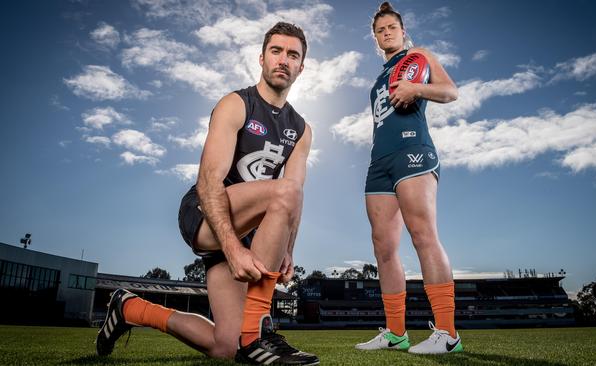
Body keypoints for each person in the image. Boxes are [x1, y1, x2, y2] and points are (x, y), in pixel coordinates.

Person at [96, 22, 319, 365]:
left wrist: (288, 249)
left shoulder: (301, 129)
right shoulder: (236, 104)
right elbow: (208, 181)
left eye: (293, 55)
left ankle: (129, 307)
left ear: (301, 68)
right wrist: (231, 248)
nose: (283, 60)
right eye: (276, 51)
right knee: (283, 192)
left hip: (246, 230)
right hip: (205, 213)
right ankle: (258, 334)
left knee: (224, 345)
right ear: (261, 58)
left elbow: (296, 194)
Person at [354, 2, 462, 355]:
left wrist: (417, 90)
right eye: (380, 30)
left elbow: (450, 91)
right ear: (376, 38)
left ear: (403, 31)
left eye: (392, 27)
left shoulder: (418, 56)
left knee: (422, 234)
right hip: (379, 162)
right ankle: (396, 333)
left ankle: (448, 334)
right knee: (383, 248)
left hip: (412, 152)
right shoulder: (378, 78)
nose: (386, 32)